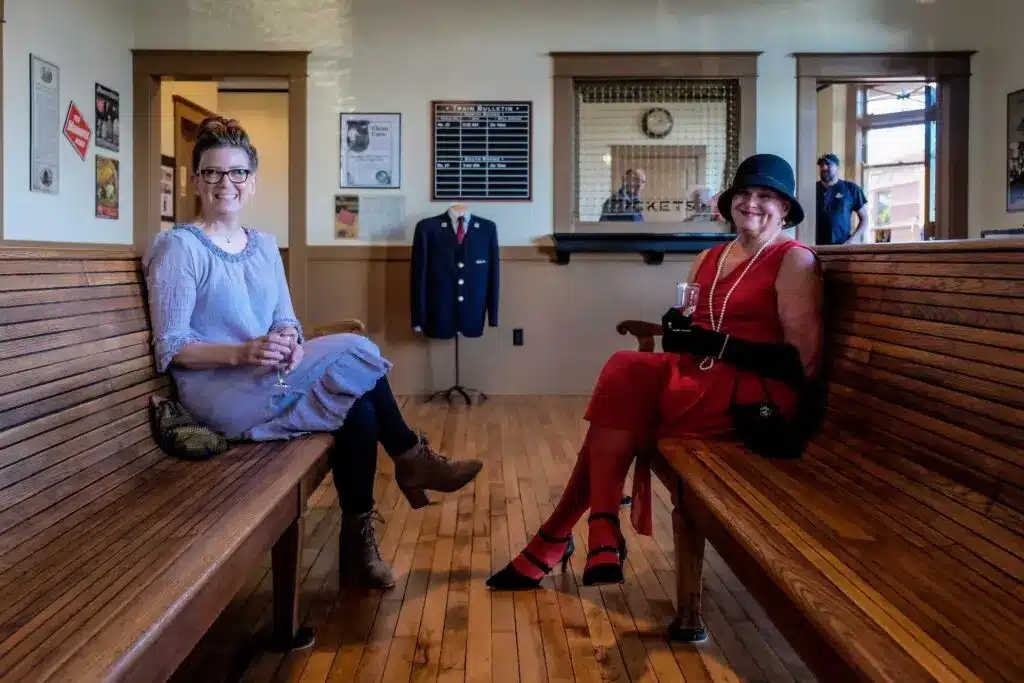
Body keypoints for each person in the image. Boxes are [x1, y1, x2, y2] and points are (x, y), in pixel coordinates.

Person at [486, 154, 823, 634]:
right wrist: (679, 330)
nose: (752, 203)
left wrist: (718, 344)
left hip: (754, 396)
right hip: (698, 377)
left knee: (618, 420)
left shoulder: (793, 260)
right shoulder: (711, 257)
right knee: (624, 370)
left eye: (766, 196)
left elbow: (802, 363)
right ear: (729, 204)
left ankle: (565, 536)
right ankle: (595, 525)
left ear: (786, 210)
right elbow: (696, 321)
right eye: (744, 194)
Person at [142, 116, 483, 590]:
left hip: (272, 378)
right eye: (213, 172)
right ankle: (409, 457)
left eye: (237, 172)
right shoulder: (180, 248)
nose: (226, 183)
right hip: (221, 396)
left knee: (360, 409)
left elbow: (287, 319)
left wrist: (286, 341)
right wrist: (245, 352)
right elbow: (172, 349)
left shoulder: (262, 246)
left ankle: (357, 544)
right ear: (196, 180)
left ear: (252, 182)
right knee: (360, 348)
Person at [815, 153, 868, 244]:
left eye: (828, 164)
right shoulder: (810, 190)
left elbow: (864, 219)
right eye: (821, 165)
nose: (824, 167)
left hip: (841, 248)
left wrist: (852, 240)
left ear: (837, 167)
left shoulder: (852, 189)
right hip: (814, 248)